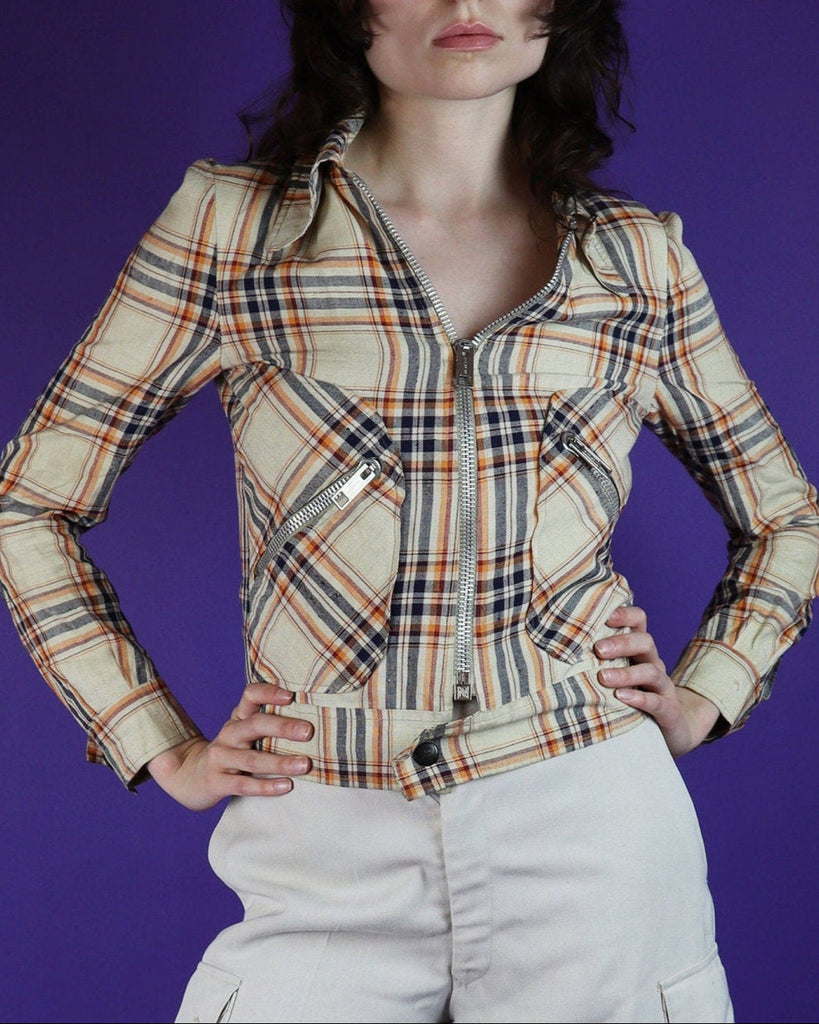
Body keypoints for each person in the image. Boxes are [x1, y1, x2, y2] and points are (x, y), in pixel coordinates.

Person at [1, 1, 817, 1021]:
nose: (465, 4)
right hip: (321, 827)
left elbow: (786, 517)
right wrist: (156, 742)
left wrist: (705, 694)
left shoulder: (635, 261)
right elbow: (30, 503)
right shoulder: (237, 230)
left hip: (592, 827)